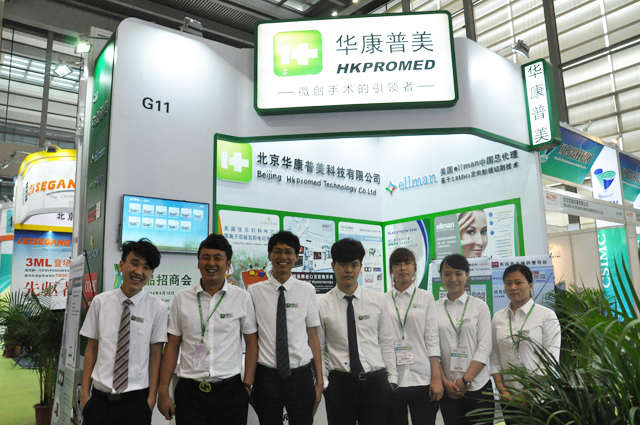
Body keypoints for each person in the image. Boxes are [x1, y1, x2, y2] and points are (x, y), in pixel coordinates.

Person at [157, 234, 258, 425]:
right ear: (198, 263)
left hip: (230, 392)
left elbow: (252, 343)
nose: (211, 263)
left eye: (218, 258)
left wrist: (247, 385)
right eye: (205, 257)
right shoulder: (181, 298)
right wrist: (163, 391)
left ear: (228, 264)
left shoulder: (242, 298)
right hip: (190, 393)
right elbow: (171, 346)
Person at [80, 238, 166, 425]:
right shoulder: (100, 302)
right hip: (99, 400)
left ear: (151, 274)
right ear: (121, 265)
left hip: (136, 402)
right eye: (134, 264)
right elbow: (92, 348)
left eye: (146, 268)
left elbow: (155, 355)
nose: (139, 272)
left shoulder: (157, 308)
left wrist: (151, 399)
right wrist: (85, 394)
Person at [317, 238, 397, 425]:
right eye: (343, 265)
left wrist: (392, 379)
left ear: (361, 267)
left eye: (354, 265)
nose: (349, 270)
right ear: (333, 266)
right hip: (340, 384)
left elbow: (386, 342)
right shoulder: (321, 304)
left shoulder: (378, 300)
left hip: (375, 383)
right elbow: (318, 347)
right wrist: (325, 383)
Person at [247, 231, 323, 425]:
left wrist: (320, 381)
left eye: (288, 252)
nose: (283, 257)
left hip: (300, 375)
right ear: (269, 255)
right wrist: (249, 381)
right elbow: (251, 339)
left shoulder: (307, 290)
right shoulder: (254, 291)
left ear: (296, 257)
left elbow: (313, 337)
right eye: (277, 251)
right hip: (266, 376)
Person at [490, 264, 561, 425]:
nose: (513, 287)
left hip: (540, 398)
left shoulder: (546, 316)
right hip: (509, 398)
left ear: (530, 285)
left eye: (518, 282)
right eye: (508, 283)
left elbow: (551, 359)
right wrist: (502, 390)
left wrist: (529, 393)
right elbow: (494, 356)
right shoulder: (498, 317)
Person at [385, 248, 443, 425]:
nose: (403, 268)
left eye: (407, 263)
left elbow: (432, 339)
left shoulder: (426, 298)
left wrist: (436, 378)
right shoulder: (383, 301)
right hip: (393, 379)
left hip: (422, 377)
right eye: (397, 264)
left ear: (415, 267)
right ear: (391, 269)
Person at [436, 254, 493, 425]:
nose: (453, 279)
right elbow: (432, 348)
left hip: (478, 386)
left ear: (467, 275)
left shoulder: (480, 307)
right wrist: (444, 382)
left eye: (458, 273)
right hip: (449, 388)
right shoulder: (434, 308)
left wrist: (466, 380)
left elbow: (484, 347)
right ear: (441, 276)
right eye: (447, 274)